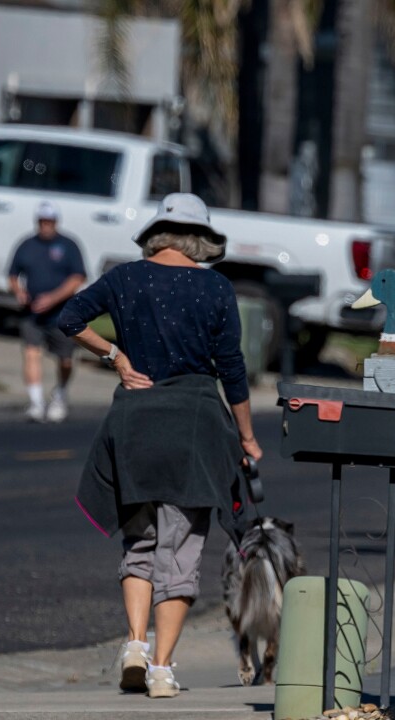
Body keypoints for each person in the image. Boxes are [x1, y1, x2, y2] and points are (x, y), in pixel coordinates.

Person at [58, 193, 261, 699]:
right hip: (192, 424)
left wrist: (115, 357)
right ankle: (164, 669)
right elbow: (231, 368)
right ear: (201, 240)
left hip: (133, 423)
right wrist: (248, 437)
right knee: (181, 550)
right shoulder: (215, 287)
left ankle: (133, 644)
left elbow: (68, 318)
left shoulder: (124, 279)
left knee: (140, 543)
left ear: (156, 234)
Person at [7, 201, 86, 422]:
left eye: (49, 221)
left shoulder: (68, 245)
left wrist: (53, 298)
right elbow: (13, 274)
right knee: (31, 353)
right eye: (42, 221)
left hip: (61, 314)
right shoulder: (27, 245)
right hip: (32, 313)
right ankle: (35, 402)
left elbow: (78, 277)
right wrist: (19, 292)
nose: (45, 225)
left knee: (65, 359)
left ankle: (60, 394)